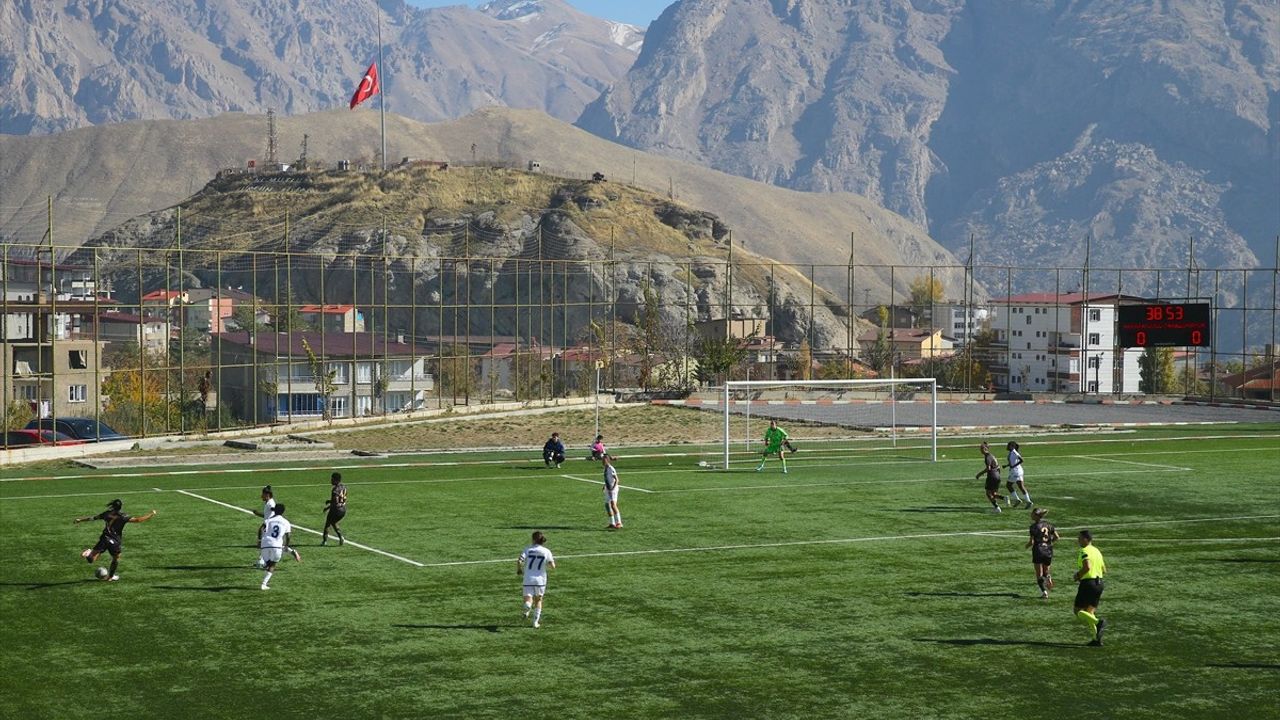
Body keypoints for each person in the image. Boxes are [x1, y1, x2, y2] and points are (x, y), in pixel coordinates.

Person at [74, 499, 156, 582]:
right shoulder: (123, 516)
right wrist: (151, 514)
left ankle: (88, 553)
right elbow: (138, 520)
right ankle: (110, 577)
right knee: (116, 558)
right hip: (114, 541)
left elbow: (93, 518)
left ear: (112, 506)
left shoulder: (106, 514)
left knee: (91, 559)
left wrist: (80, 520)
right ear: (120, 507)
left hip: (104, 538)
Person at [1073, 530, 1108, 646]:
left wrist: (1078, 575)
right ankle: (1096, 639)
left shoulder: (1084, 550)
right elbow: (1104, 569)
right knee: (1089, 612)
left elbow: (1087, 567)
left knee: (1078, 611)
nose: (1078, 540)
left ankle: (1098, 622)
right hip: (1099, 584)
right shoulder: (1097, 551)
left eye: (1080, 538)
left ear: (1086, 539)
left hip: (1088, 583)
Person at [517, 531, 556, 629]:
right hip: (540, 580)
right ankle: (535, 622)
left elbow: (519, 560)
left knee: (528, 598)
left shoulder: (528, 549)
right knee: (538, 600)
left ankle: (527, 605)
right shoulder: (546, 551)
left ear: (533, 539)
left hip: (528, 578)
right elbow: (552, 566)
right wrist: (546, 563)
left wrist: (519, 569)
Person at [260, 504, 301, 590]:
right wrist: (287, 545)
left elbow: (261, 529)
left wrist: (259, 540)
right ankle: (263, 584)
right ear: (283, 512)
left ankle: (292, 552)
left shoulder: (268, 520)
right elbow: (288, 536)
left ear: (274, 510)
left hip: (264, 544)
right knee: (272, 566)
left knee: (268, 565)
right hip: (277, 546)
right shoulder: (286, 522)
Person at [1025, 507, 1059, 598]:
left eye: (1032, 514)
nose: (1031, 515)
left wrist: (1026, 546)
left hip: (1038, 550)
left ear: (1036, 516)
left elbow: (1031, 542)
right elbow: (1057, 537)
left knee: (1039, 574)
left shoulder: (1033, 527)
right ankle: (1048, 577)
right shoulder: (1049, 524)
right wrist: (1048, 543)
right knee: (1046, 571)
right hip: (1048, 550)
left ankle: (1044, 592)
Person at [975, 442, 1006, 513]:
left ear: (985, 448)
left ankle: (997, 508)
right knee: (994, 494)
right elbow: (998, 466)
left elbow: (988, 468)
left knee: (988, 493)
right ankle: (1004, 498)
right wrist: (998, 475)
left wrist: (979, 474)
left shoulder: (987, 456)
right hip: (997, 475)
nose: (980, 450)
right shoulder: (992, 456)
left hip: (992, 476)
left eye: (981, 448)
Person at [322, 472, 347, 546]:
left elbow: (335, 502)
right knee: (334, 523)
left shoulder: (335, 490)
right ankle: (341, 537)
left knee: (328, 524)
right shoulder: (344, 487)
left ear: (336, 480)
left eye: (332, 479)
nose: (331, 481)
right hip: (343, 510)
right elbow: (340, 499)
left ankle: (324, 541)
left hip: (336, 510)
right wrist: (330, 501)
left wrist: (327, 508)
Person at [1004, 441, 1032, 507]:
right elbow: (1013, 462)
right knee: (1021, 486)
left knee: (1008, 485)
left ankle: (1018, 500)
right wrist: (1007, 465)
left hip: (1015, 472)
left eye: (1008, 445)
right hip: (1018, 471)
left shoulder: (1014, 452)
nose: (1007, 446)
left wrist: (1013, 466)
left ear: (1012, 446)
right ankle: (1028, 501)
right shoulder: (1012, 452)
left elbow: (1021, 460)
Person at [255, 485, 276, 563]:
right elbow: (267, 515)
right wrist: (258, 514)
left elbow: (273, 510)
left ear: (267, 495)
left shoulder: (270, 503)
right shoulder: (268, 502)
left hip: (268, 525)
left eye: (262, 494)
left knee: (265, 544)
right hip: (268, 524)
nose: (261, 496)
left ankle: (262, 560)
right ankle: (262, 559)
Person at [603, 454, 623, 529]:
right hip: (608, 488)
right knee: (607, 505)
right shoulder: (605, 468)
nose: (602, 461)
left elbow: (617, 480)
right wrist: (605, 485)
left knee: (613, 505)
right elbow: (607, 478)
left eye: (603, 460)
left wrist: (612, 488)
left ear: (607, 460)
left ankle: (619, 522)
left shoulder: (611, 468)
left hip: (613, 489)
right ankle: (612, 523)